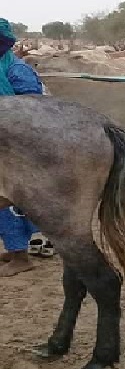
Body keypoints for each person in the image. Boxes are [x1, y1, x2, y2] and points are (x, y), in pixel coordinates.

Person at [0, 18, 53, 277]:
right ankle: (15, 249)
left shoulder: (17, 69)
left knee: (9, 200)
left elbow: (32, 108)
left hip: (18, 145)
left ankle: (20, 256)